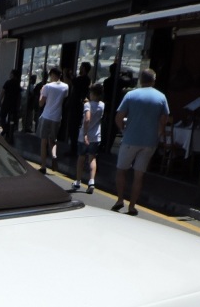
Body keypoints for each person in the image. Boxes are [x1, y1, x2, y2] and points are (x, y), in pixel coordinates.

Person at [112, 68, 169, 216]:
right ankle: (132, 205)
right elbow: (164, 120)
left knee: (121, 170)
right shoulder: (161, 97)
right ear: (154, 79)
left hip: (130, 139)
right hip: (149, 142)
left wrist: (124, 130)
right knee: (139, 175)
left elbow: (119, 117)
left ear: (140, 80)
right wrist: (157, 133)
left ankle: (119, 200)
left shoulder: (131, 95)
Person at [70, 83, 104, 194]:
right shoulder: (102, 105)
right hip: (96, 136)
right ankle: (91, 182)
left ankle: (78, 181)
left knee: (81, 158)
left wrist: (85, 133)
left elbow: (87, 118)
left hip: (84, 136)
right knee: (92, 158)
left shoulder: (87, 105)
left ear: (93, 93)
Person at [36, 67, 68, 175]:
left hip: (46, 116)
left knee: (43, 141)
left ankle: (43, 166)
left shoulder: (47, 87)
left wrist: (41, 92)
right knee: (53, 141)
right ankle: (54, 155)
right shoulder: (65, 86)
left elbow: (41, 103)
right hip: (57, 117)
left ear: (53, 75)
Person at [68, 62, 91, 154]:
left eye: (81, 67)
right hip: (79, 106)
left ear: (84, 69)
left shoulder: (82, 79)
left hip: (76, 106)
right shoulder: (87, 80)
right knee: (75, 127)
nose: (80, 69)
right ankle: (74, 148)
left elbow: (73, 81)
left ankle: (73, 149)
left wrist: (69, 74)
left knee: (73, 128)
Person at [0, 68, 22, 144]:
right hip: (13, 105)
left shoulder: (8, 82)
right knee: (11, 120)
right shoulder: (18, 84)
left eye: (11, 73)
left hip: (6, 103)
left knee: (2, 117)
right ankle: (8, 131)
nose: (9, 75)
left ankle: (6, 130)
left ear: (13, 75)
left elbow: (3, 92)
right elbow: (19, 96)